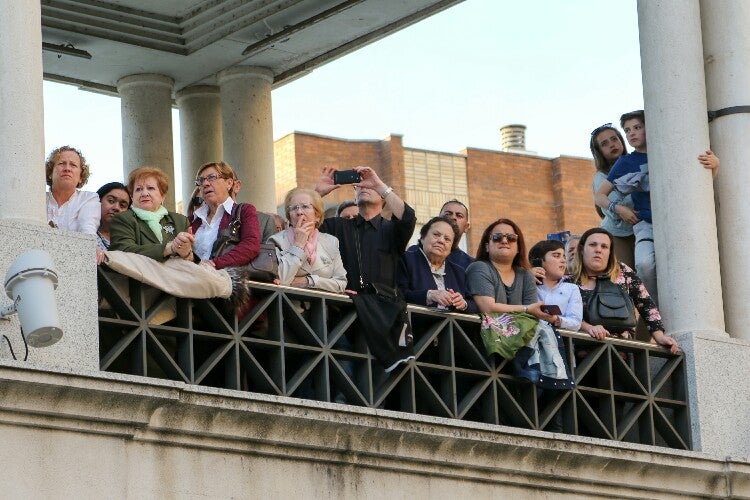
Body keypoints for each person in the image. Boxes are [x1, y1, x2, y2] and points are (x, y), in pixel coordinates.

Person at [594, 110, 720, 304]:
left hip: (674, 221)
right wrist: (618, 208)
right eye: (627, 130)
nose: (632, 134)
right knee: (643, 266)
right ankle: (656, 311)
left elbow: (694, 187)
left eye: (637, 128)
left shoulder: (668, 152)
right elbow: (600, 195)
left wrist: (715, 166)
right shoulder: (625, 164)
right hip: (641, 225)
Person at [565, 227, 678, 354]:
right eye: (592, 245)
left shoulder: (623, 272)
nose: (598, 250)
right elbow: (564, 315)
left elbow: (646, 305)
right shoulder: (568, 282)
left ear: (610, 252)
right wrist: (589, 328)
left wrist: (659, 336)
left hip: (623, 352)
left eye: (604, 246)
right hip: (584, 353)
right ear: (581, 250)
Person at [316, 166, 416, 292]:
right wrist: (317, 194)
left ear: (383, 196)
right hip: (342, 304)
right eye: (359, 184)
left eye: (369, 185)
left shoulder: (393, 229)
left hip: (383, 307)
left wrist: (379, 184)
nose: (363, 186)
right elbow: (302, 225)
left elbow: (409, 218)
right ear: (355, 198)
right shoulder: (337, 226)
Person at [466, 218, 554, 322]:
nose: (504, 241)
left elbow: (531, 318)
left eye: (511, 237)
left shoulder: (525, 275)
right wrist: (526, 309)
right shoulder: (479, 268)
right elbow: (488, 309)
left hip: (522, 336)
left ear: (518, 248)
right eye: (497, 237)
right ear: (487, 247)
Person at [269, 187, 346, 292]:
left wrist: (309, 281)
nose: (299, 212)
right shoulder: (276, 241)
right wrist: (298, 245)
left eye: (305, 206)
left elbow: (341, 284)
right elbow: (281, 280)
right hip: (288, 305)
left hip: (323, 306)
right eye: (294, 208)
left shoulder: (331, 241)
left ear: (317, 216)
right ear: (289, 216)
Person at [110, 167, 194, 261]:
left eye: (150, 188)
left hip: (177, 275)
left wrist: (187, 254)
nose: (144, 193)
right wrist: (168, 248)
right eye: (138, 189)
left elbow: (192, 260)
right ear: (132, 197)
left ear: (162, 196)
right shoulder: (122, 219)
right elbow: (124, 252)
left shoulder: (180, 221)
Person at [189, 161, 260, 270]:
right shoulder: (192, 220)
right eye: (200, 181)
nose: (205, 184)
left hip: (222, 278)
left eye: (212, 177)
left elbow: (251, 246)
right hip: (192, 276)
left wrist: (215, 264)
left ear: (229, 183)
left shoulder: (245, 211)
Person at [398, 216, 476, 313]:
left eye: (447, 239)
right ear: (422, 238)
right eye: (436, 235)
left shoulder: (459, 272)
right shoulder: (405, 260)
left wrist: (463, 303)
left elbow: (474, 304)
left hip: (451, 327)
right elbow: (398, 294)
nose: (441, 241)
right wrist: (429, 295)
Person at [589, 123, 636, 270]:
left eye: (614, 139)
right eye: (604, 144)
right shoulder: (601, 177)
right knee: (626, 276)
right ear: (599, 152)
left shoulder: (638, 162)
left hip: (642, 228)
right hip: (617, 234)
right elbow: (614, 208)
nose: (612, 144)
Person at [528, 239, 582, 331]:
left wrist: (555, 320)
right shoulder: (527, 284)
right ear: (539, 261)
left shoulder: (572, 289)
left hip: (560, 342)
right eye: (556, 256)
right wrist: (526, 279)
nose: (563, 261)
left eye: (564, 256)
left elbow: (576, 323)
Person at [45, 145, 100, 235]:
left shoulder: (88, 199)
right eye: (61, 163)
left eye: (73, 165)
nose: (67, 169)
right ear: (50, 173)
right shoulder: (37, 199)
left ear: (80, 177)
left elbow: (88, 232)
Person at [95, 181, 131, 264]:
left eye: (122, 205)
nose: (116, 208)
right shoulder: (84, 231)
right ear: (98, 201)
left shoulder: (128, 239)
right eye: (111, 201)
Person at [438, 199, 474, 270]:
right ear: (437, 220)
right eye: (448, 214)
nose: (453, 217)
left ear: (466, 227)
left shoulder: (472, 266)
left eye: (459, 216)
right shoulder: (416, 254)